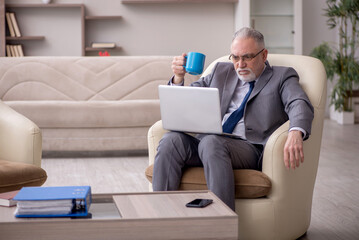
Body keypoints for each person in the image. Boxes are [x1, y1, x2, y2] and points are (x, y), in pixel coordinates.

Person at [152, 27, 314, 210]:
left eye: (247, 57)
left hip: (248, 148)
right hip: (207, 143)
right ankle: (162, 215)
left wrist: (295, 131)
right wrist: (178, 78)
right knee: (170, 140)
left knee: (212, 142)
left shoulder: (282, 76)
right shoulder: (221, 70)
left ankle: (222, 226)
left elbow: (299, 102)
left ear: (264, 55)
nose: (240, 64)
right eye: (235, 57)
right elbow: (191, 95)